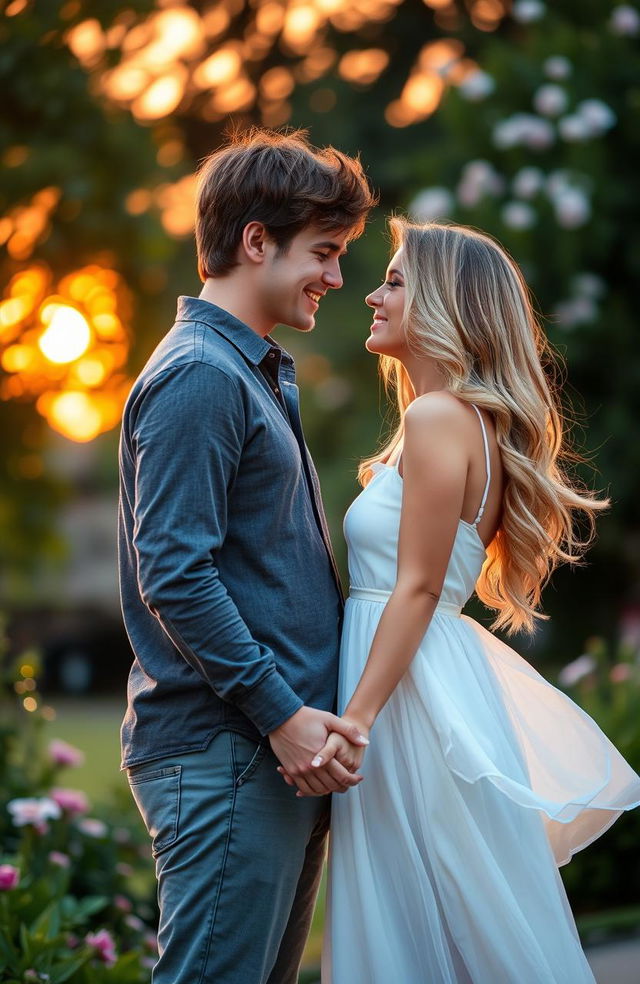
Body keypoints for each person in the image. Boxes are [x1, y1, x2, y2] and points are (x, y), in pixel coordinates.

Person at [306, 219, 640, 983]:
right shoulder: (462, 422)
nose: (372, 293)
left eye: (393, 280)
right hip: (426, 678)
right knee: (453, 909)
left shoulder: (437, 418)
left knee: (431, 907)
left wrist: (356, 720)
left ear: (443, 302)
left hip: (405, 698)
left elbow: (418, 583)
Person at [117, 128, 376, 984]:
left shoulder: (254, 370)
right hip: (229, 748)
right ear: (256, 241)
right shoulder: (201, 375)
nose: (338, 279)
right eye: (326, 252)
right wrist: (281, 713)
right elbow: (176, 576)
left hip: (268, 752)